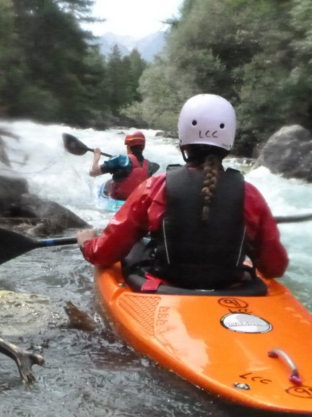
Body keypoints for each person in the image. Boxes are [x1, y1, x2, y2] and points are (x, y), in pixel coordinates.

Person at [77, 93, 288, 290]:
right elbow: (275, 268)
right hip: (231, 287)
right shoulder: (250, 194)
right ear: (228, 143)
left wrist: (87, 243)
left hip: (167, 288)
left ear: (183, 141)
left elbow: (103, 254)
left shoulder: (155, 187)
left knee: (136, 247)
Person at [89, 131, 157, 201]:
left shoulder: (120, 159)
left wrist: (97, 155)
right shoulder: (150, 166)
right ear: (143, 147)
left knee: (107, 184)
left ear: (128, 146)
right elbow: (156, 166)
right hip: (136, 202)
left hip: (117, 201)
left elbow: (93, 172)